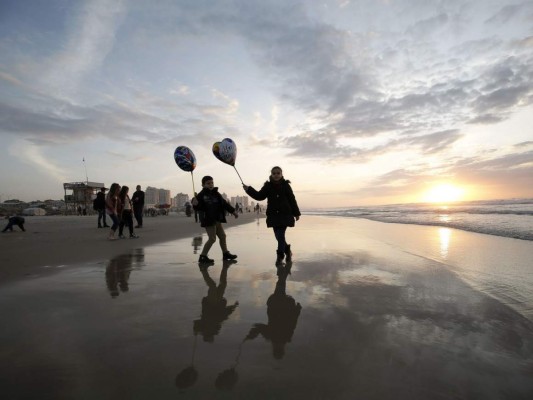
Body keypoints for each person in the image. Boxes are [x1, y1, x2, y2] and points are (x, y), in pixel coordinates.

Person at [243, 166, 301, 265]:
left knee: (280, 234)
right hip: (273, 215)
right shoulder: (268, 186)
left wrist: (296, 213)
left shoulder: (286, 185)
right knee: (278, 236)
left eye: (278, 173)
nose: (276, 175)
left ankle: (280, 256)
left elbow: (292, 199)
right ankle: (287, 251)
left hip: (285, 214)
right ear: (271, 174)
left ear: (282, 174)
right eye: (274, 173)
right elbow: (259, 196)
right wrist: (249, 189)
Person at [191, 176, 238, 264]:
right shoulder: (201, 195)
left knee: (223, 236)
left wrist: (233, 211)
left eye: (212, 183)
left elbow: (224, 204)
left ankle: (225, 253)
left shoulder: (216, 193)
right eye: (208, 183)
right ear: (203, 185)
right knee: (212, 238)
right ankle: (203, 256)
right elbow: (198, 206)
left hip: (217, 219)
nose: (211, 185)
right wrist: (195, 204)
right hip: (208, 219)